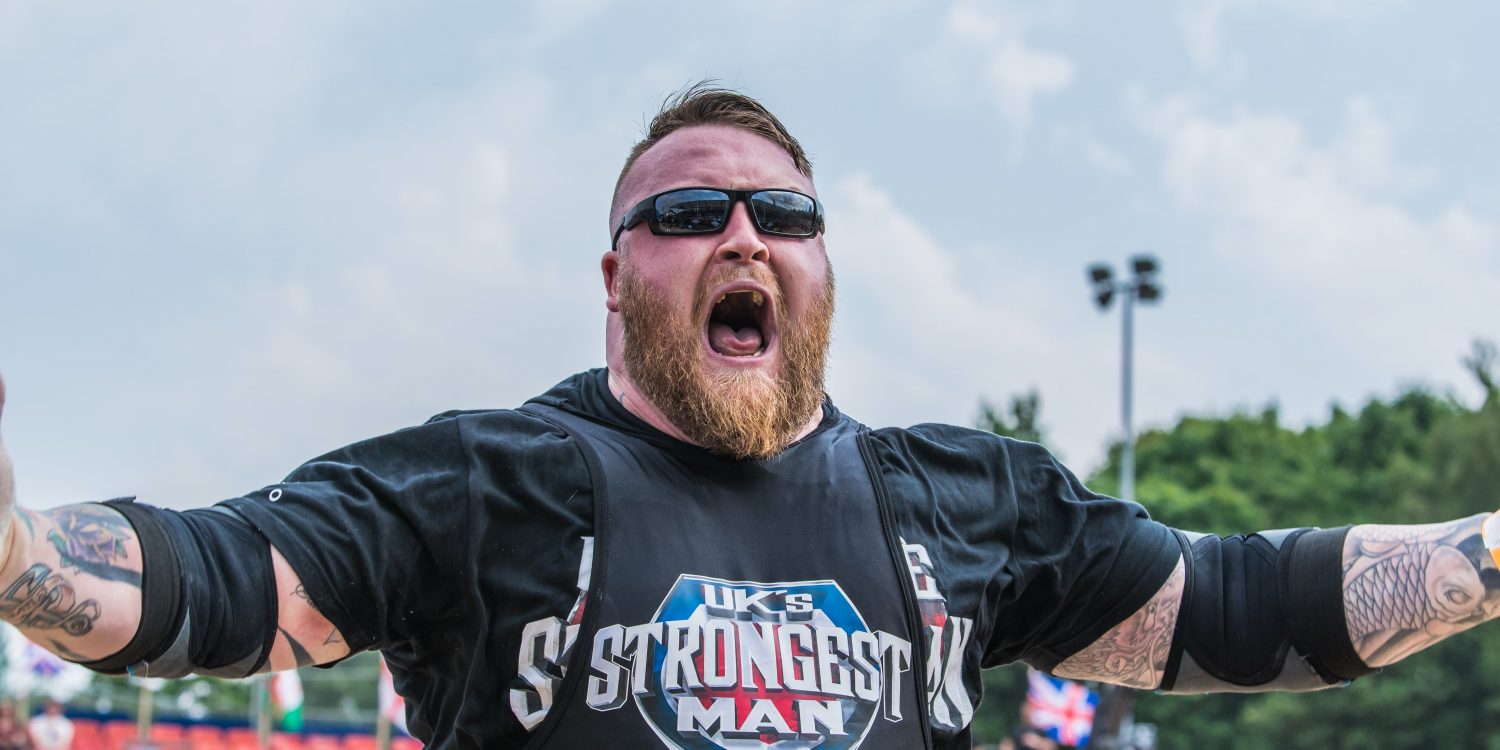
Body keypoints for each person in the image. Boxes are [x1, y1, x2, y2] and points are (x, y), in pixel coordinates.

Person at [0, 84, 1498, 749]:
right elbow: (218, 579)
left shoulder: (963, 503)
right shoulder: (495, 480)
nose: (742, 232)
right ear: (614, 272)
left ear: (821, 265)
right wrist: (15, 553)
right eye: (688, 209)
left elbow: (1237, 603)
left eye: (782, 208)